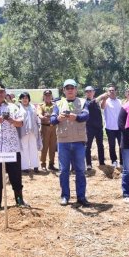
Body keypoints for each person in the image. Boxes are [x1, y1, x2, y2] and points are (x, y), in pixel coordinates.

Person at [51, 79, 90, 207]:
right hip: (63, 142)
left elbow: (86, 116)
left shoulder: (83, 102)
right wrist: (58, 118)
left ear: (76, 89)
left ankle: (81, 197)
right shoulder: (58, 103)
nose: (70, 90)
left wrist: (76, 117)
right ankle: (65, 196)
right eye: (67, 88)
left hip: (79, 142)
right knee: (63, 171)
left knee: (80, 170)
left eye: (72, 88)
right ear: (64, 90)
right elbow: (52, 119)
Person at [97, 85, 122, 168]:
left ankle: (122, 162)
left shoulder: (119, 101)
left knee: (121, 145)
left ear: (116, 91)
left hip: (119, 128)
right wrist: (104, 98)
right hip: (109, 128)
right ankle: (114, 161)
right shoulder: (106, 101)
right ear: (107, 92)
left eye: (113, 90)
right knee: (112, 146)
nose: (111, 92)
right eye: (110, 90)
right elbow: (102, 107)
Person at [18, 92, 41, 172]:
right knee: (24, 148)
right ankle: (25, 167)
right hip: (23, 130)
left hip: (33, 131)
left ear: (29, 99)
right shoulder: (18, 108)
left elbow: (36, 118)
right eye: (23, 98)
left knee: (33, 148)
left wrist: (38, 127)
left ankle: (35, 166)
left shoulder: (33, 107)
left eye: (26, 98)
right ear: (20, 99)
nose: (25, 99)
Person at [83, 86, 105, 170]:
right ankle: (88, 164)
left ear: (93, 92)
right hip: (89, 127)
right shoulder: (85, 102)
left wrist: (104, 99)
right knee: (88, 146)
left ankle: (102, 162)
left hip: (99, 127)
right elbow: (91, 103)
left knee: (100, 145)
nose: (89, 93)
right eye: (87, 91)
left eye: (90, 91)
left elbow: (102, 107)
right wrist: (102, 96)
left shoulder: (97, 101)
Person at [37, 89, 58, 171]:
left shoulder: (55, 105)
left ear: (51, 96)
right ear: (44, 97)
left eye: (49, 95)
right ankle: (43, 164)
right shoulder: (41, 105)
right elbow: (39, 114)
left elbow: (57, 114)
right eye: (46, 95)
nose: (48, 97)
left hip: (54, 127)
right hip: (45, 127)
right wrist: (42, 116)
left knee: (53, 147)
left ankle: (51, 164)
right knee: (44, 146)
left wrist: (49, 116)